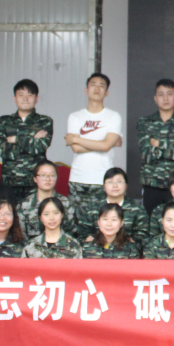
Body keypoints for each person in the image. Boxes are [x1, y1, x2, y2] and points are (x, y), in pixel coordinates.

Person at [65, 73, 124, 235]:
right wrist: (103, 142)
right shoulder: (75, 117)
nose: (97, 88)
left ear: (107, 92)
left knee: (102, 229)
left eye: (101, 85)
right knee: (76, 229)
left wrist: (77, 139)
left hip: (102, 180)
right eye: (93, 84)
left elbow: (106, 146)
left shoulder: (113, 116)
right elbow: (76, 149)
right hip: (78, 180)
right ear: (86, 90)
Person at [136, 78, 174, 215]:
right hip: (152, 184)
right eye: (161, 94)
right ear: (155, 98)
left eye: (169, 94)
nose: (165, 98)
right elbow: (146, 154)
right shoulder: (145, 122)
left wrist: (157, 143)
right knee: (151, 223)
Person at [0, 79, 53, 202]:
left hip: (35, 183)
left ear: (36, 98)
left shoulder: (45, 121)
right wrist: (31, 140)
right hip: (9, 183)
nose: (25, 99)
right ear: (14, 98)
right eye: (21, 95)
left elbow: (40, 147)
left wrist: (15, 139)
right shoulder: (5, 121)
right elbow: (3, 151)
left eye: (30, 95)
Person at [84, 168, 148, 241]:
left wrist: (132, 242)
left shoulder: (137, 208)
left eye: (119, 181)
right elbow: (82, 231)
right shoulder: (93, 206)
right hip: (97, 246)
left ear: (126, 186)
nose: (115, 185)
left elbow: (143, 234)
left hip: (126, 247)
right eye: (110, 182)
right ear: (104, 186)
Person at [17, 160, 77, 238]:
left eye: (52, 175)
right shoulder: (24, 205)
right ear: (35, 178)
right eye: (43, 175)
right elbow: (21, 235)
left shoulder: (66, 203)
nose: (48, 179)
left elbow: (71, 233)